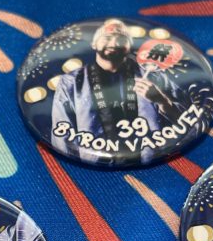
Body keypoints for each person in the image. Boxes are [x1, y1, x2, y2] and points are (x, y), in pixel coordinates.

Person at [51, 19, 185, 164]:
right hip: (93, 166)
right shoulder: (71, 82)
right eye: (107, 38)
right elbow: (61, 132)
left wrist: (162, 101)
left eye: (121, 39)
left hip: (153, 161)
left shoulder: (154, 76)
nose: (114, 43)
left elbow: (187, 121)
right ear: (94, 44)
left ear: (129, 46)